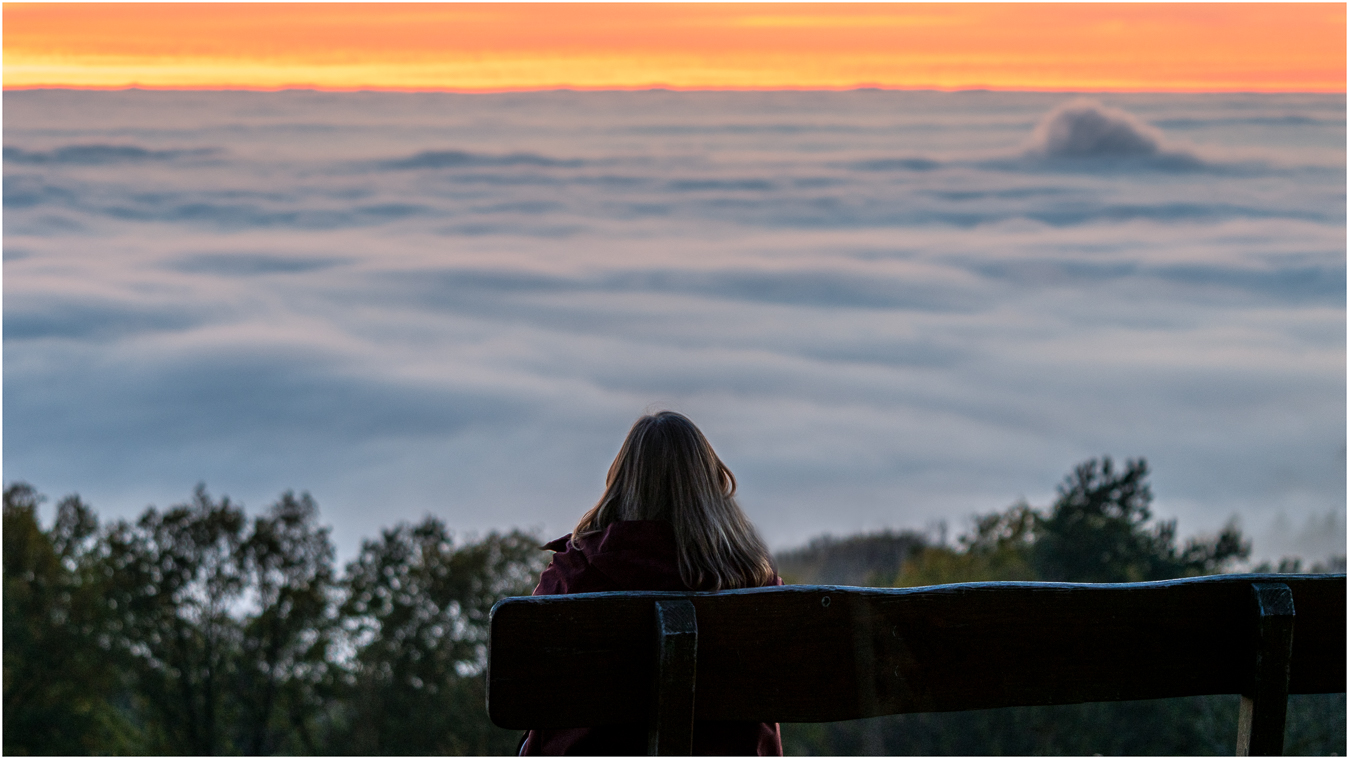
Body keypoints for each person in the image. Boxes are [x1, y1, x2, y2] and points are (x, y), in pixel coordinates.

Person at [521, 411, 784, 756]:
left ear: (622, 482)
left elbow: (530, 691)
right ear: (709, 485)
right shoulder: (756, 582)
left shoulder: (573, 576)